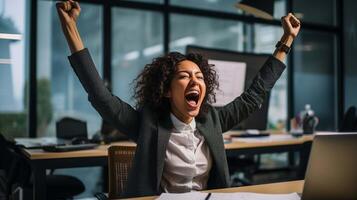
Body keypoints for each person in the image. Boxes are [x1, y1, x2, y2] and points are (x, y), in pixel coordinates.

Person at [56, 0, 301, 197]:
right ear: (166, 90)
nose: (195, 81)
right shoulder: (147, 124)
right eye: (185, 76)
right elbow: (100, 96)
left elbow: (254, 95)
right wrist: (70, 28)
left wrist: (286, 41)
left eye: (200, 77)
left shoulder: (212, 121)